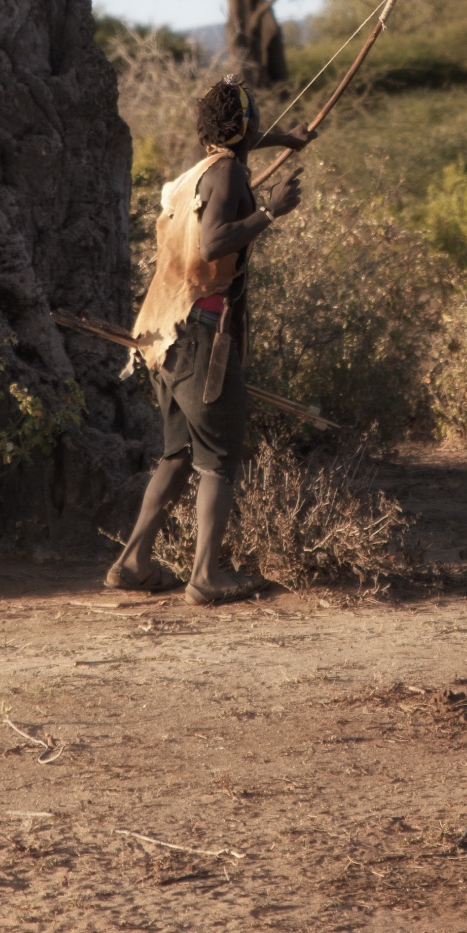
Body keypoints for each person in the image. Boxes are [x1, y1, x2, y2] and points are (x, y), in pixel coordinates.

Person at [105, 76, 310, 604]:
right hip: (200, 334)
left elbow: (232, 150)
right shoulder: (229, 176)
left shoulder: (196, 173)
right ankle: (206, 577)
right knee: (219, 457)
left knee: (176, 455)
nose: (260, 125)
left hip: (160, 334)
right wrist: (271, 211)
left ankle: (132, 563)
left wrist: (283, 138)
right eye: (257, 120)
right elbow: (217, 238)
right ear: (244, 128)